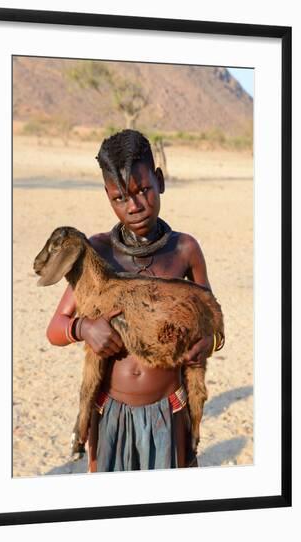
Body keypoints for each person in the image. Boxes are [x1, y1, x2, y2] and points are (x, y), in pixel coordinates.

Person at [46, 129, 224, 472]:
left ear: (159, 181)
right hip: (109, 412)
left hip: (170, 409)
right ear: (107, 196)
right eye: (120, 198)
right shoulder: (96, 253)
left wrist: (206, 343)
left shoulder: (185, 250)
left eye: (143, 190)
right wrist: (84, 328)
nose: (134, 206)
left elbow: (212, 324)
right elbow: (55, 329)